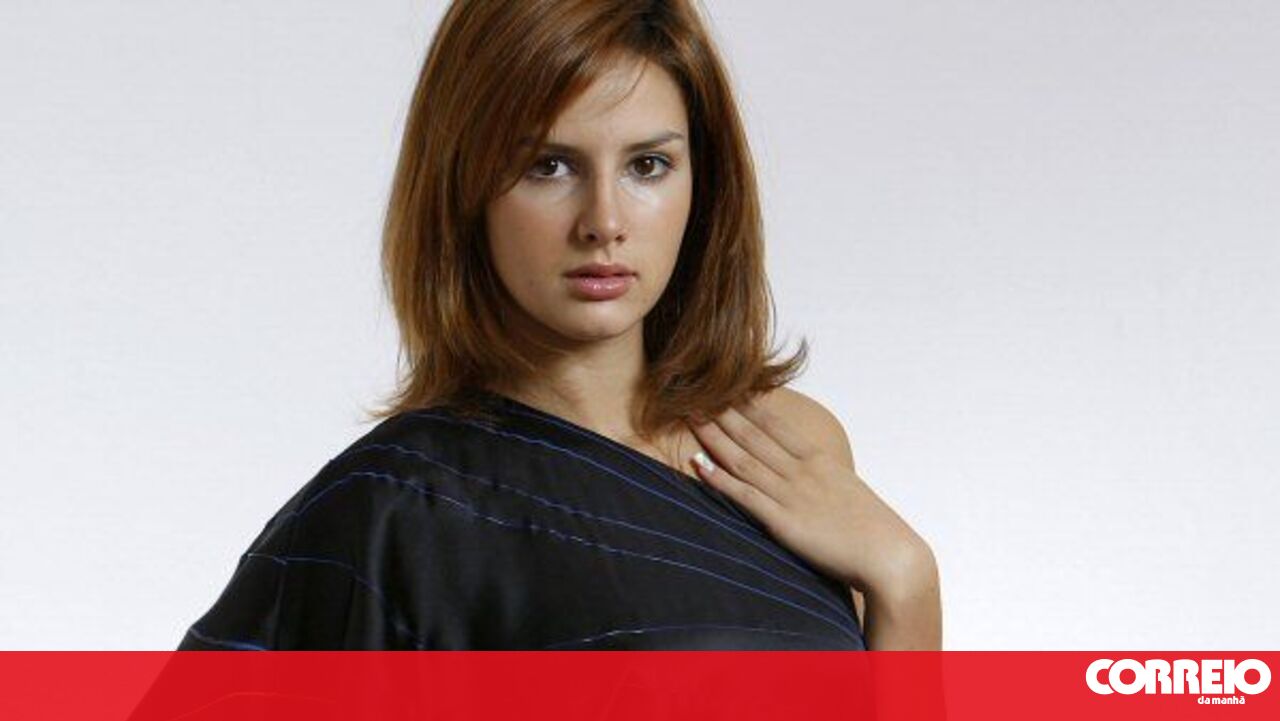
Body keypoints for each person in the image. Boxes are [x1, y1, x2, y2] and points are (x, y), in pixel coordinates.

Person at [177, 0, 940, 651]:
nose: (604, 221)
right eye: (549, 165)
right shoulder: (397, 504)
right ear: (465, 185)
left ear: (703, 183)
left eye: (647, 165)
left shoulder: (790, 443)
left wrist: (906, 580)